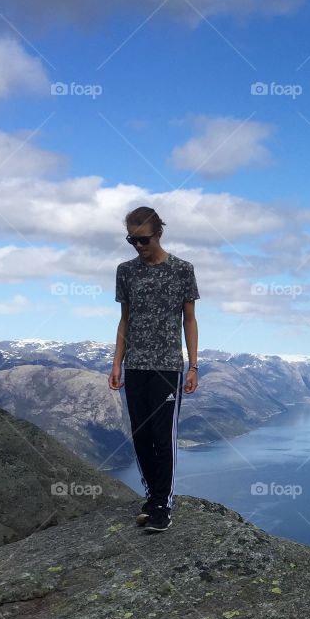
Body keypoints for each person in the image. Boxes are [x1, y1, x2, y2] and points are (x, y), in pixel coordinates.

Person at [108, 206, 199, 532]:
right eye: (131, 240)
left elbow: (189, 320)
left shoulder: (182, 270)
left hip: (168, 367)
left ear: (158, 233)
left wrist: (193, 366)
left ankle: (164, 503)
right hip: (135, 366)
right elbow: (125, 320)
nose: (138, 246)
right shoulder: (126, 271)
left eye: (143, 239)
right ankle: (152, 495)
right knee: (141, 435)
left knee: (164, 436)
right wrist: (116, 363)